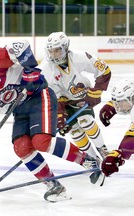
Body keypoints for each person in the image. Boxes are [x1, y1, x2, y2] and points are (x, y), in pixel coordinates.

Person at [0, 40, 105, 202]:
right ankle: (53, 185)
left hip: (39, 95)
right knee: (21, 147)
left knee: (41, 141)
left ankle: (88, 161)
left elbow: (20, 46)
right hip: (20, 109)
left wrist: (30, 69)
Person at [39, 31, 111, 160]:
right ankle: (93, 159)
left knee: (86, 121)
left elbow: (104, 70)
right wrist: (59, 115)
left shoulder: (80, 57)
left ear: (66, 48)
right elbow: (51, 96)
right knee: (75, 131)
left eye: (57, 50)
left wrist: (95, 92)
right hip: (62, 101)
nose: (53, 55)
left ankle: (103, 150)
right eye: (51, 51)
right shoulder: (45, 69)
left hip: (81, 96)